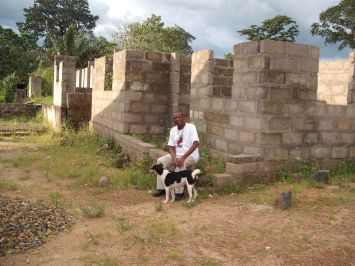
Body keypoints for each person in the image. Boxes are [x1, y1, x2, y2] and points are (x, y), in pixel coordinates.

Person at [152, 112, 199, 200]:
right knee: (160, 161)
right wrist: (174, 159)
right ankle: (161, 188)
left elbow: (196, 143)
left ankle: (179, 193)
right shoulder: (173, 130)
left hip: (190, 155)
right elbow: (171, 147)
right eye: (175, 118)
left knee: (180, 165)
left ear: (183, 118)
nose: (177, 119)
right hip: (176, 155)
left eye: (179, 117)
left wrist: (182, 158)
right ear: (173, 120)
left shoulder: (191, 127)